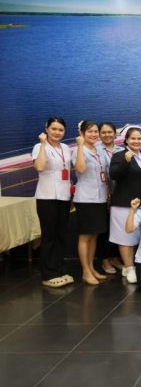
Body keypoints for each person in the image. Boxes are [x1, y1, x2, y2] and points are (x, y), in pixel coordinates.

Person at [109, 125, 141, 284]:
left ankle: (133, 265)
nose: (136, 141)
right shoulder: (120, 155)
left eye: (139, 138)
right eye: (133, 138)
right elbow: (114, 175)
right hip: (124, 204)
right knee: (125, 237)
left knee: (136, 237)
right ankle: (129, 268)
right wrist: (126, 161)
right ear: (126, 140)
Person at [32, 117, 74, 288]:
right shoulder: (39, 147)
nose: (57, 132)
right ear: (46, 129)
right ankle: (48, 274)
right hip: (46, 196)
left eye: (60, 130)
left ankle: (60, 270)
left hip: (64, 196)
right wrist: (43, 144)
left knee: (61, 235)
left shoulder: (66, 148)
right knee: (49, 235)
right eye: (54, 129)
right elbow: (40, 167)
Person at [71, 120, 110, 285]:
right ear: (82, 133)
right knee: (85, 236)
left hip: (100, 197)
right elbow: (80, 169)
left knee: (94, 235)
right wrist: (80, 146)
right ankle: (85, 271)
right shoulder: (77, 150)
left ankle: (92, 268)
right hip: (86, 198)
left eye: (95, 131)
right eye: (90, 131)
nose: (94, 134)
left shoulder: (99, 150)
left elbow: (105, 173)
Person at [96, 122, 125, 274]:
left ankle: (114, 257)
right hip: (102, 193)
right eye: (103, 132)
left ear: (115, 133)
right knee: (104, 228)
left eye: (110, 132)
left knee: (117, 227)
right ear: (99, 134)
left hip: (119, 193)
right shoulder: (95, 150)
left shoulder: (122, 150)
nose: (107, 135)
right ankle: (104, 259)